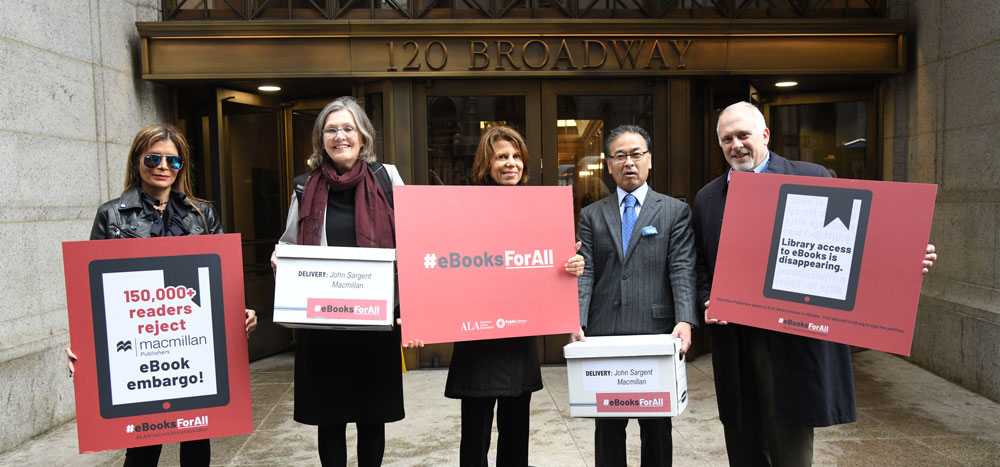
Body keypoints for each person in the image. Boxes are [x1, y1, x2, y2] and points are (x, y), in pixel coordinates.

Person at [692, 101, 938, 467]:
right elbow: (700, 267)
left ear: (765, 134)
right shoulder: (708, 197)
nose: (736, 145)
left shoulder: (811, 177)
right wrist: (708, 299)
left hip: (792, 339)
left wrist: (903, 262)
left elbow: (851, 246)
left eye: (743, 135)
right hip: (736, 340)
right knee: (743, 444)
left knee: (790, 449)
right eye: (727, 139)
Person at [65, 123, 258, 467]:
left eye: (173, 161)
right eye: (153, 158)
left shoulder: (202, 214)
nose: (163, 167)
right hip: (140, 348)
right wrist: (81, 344)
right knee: (142, 445)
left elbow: (221, 279)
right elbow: (93, 289)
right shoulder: (111, 215)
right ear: (137, 160)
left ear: (181, 166)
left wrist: (242, 311)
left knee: (197, 436)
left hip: (190, 348)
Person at [272, 96, 405, 467]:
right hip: (322, 321)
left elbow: (412, 240)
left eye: (348, 128)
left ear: (363, 136)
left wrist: (409, 306)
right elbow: (288, 242)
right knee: (328, 417)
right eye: (331, 129)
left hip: (374, 320)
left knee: (371, 415)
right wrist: (278, 256)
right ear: (321, 138)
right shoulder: (305, 186)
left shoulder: (387, 178)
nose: (340, 136)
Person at [444, 126, 585, 467]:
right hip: (477, 334)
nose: (511, 164)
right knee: (474, 435)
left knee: (516, 431)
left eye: (516, 156)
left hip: (519, 332)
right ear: (486, 164)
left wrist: (572, 264)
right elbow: (447, 261)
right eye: (502, 157)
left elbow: (548, 264)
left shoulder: (539, 207)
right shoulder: (464, 205)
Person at [571, 124, 697, 467]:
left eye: (637, 154)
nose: (629, 162)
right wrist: (577, 320)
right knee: (608, 425)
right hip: (604, 331)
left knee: (656, 424)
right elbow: (588, 271)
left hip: (656, 330)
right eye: (620, 156)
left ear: (650, 160)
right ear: (608, 164)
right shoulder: (592, 214)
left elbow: (681, 268)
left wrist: (685, 319)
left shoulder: (674, 211)